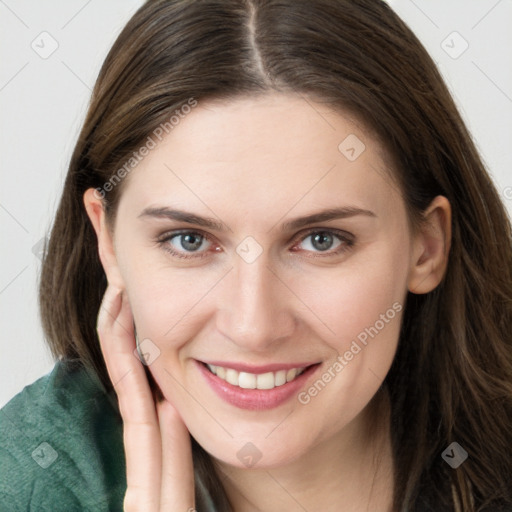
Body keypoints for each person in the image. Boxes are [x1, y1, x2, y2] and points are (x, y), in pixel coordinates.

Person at [1, 0, 511, 510]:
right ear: (107, 243)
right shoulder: (30, 481)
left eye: (321, 240)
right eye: (189, 240)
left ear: (426, 247)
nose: (253, 326)